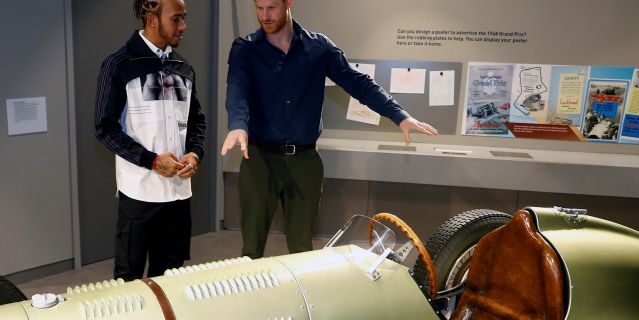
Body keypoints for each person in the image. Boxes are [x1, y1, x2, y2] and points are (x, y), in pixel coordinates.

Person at [220, 0, 438, 259]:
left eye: (272, 8)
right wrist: (237, 125)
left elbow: (358, 82)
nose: (264, 16)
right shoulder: (245, 49)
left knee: (301, 249)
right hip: (258, 159)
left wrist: (399, 115)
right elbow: (237, 88)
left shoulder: (318, 47)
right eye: (259, 8)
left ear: (289, 3)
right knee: (251, 249)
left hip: (304, 163)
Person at [95, 0, 206, 281]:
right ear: (152, 19)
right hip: (139, 196)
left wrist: (194, 154)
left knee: (170, 278)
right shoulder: (118, 65)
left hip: (179, 195)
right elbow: (104, 128)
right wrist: (153, 162)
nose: (183, 26)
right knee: (128, 281)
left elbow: (197, 122)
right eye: (176, 19)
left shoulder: (184, 68)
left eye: (184, 18)